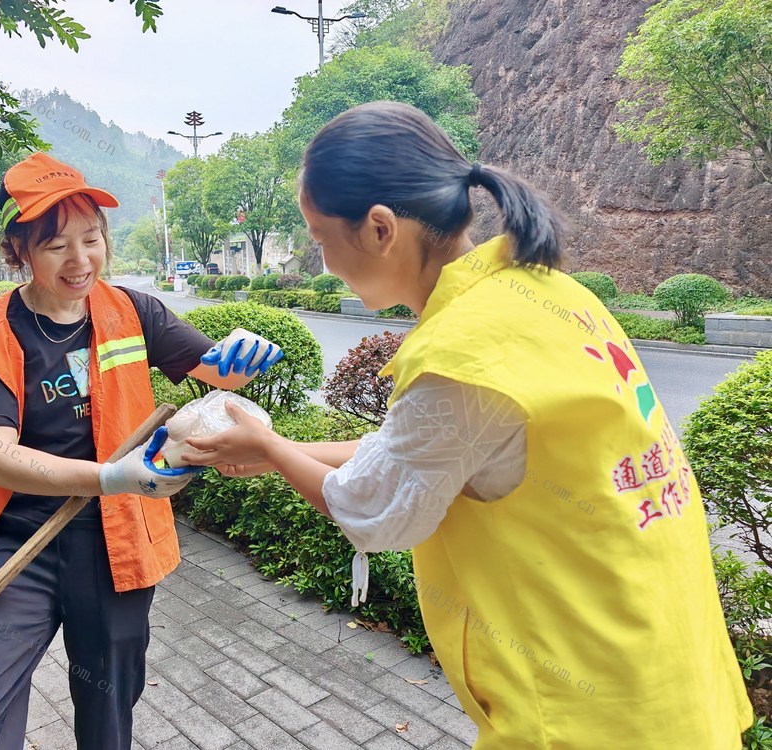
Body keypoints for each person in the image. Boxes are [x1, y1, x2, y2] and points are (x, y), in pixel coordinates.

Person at [181, 101, 752, 749]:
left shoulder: (461, 355)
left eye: (318, 239)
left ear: (378, 228)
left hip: (589, 705)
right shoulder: (549, 295)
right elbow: (426, 451)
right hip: (663, 661)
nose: (323, 262)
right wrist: (281, 449)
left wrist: (270, 447)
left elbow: (374, 509)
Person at [0, 152, 282, 750]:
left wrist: (244, 353)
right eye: (57, 245)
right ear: (19, 252)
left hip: (117, 541)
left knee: (108, 712)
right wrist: (112, 475)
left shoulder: (134, 312)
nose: (81, 260)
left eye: (92, 238)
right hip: (16, 542)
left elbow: (218, 372)